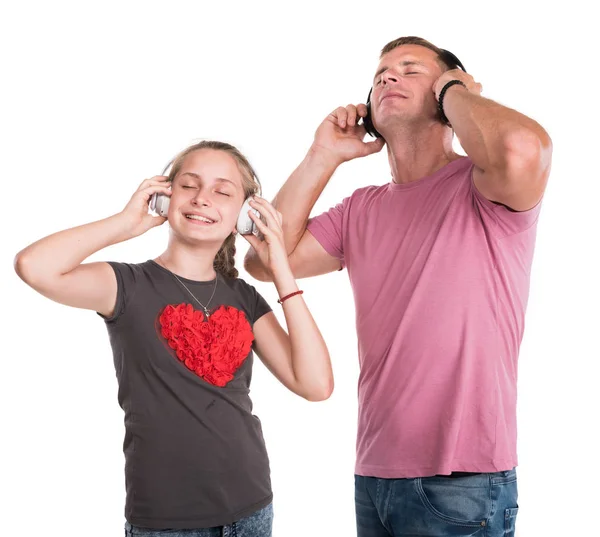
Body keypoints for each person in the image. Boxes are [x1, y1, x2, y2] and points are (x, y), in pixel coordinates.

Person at [245, 36, 552, 537]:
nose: (388, 77)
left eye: (410, 69)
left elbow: (521, 147)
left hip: (462, 480)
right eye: (380, 73)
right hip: (375, 474)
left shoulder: (486, 186)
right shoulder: (361, 209)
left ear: (451, 90)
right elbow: (263, 257)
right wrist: (323, 155)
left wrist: (453, 89)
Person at [14, 140, 334, 536]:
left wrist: (280, 267)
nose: (203, 199)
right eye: (189, 185)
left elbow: (316, 385)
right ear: (165, 197)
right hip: (166, 523)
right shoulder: (126, 285)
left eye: (222, 191)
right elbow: (34, 267)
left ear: (245, 214)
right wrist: (124, 223)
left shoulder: (245, 298)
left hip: (251, 509)